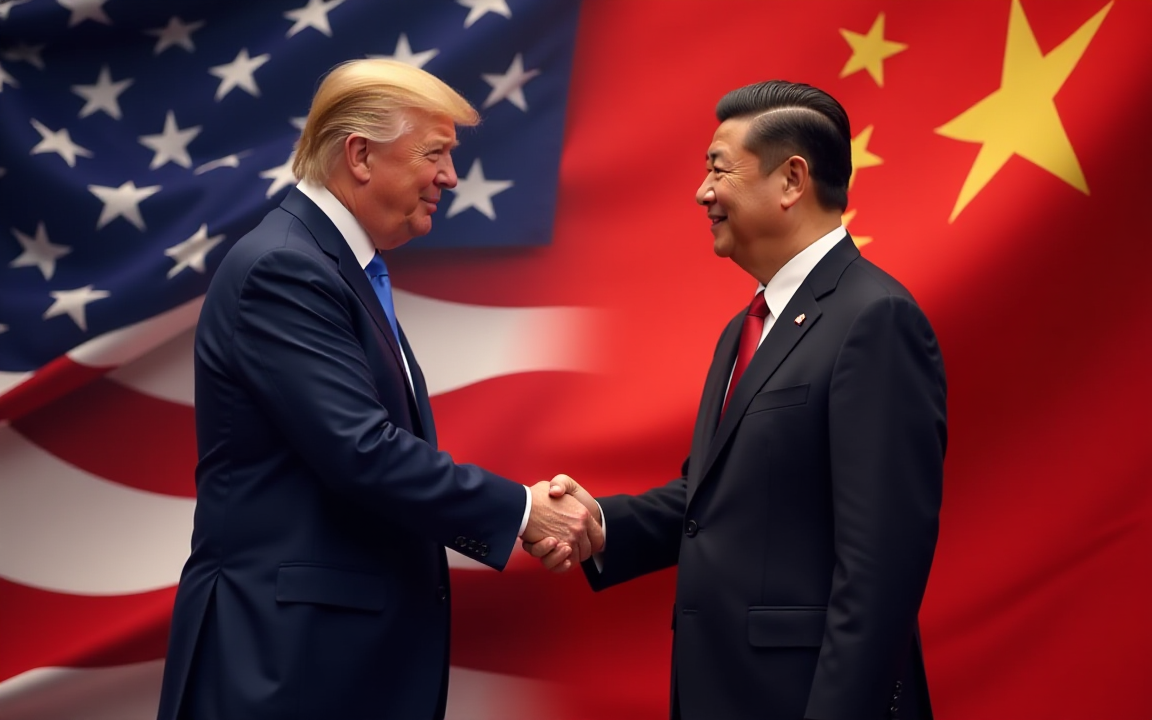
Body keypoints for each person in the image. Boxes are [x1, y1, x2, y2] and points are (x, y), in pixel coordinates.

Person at [156, 59, 602, 720]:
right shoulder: (286, 267)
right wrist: (522, 511)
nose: (450, 176)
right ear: (360, 155)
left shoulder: (333, 267)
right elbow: (361, 450)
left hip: (326, 664)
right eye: (434, 153)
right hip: (285, 669)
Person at [528, 80, 947, 720]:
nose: (703, 192)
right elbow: (713, 498)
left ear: (792, 180)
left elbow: (881, 570)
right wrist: (598, 524)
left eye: (719, 170)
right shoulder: (747, 326)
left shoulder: (876, 318)